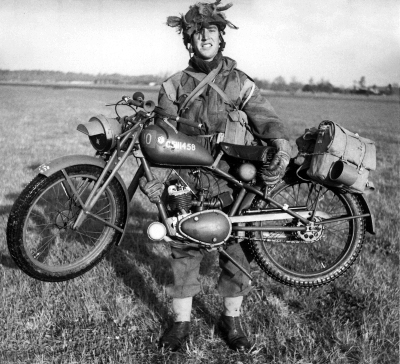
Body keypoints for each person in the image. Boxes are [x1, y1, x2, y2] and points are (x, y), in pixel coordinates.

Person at [139, 1, 291, 353]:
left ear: (222, 37)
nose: (205, 37)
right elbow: (160, 138)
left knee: (236, 251)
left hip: (233, 180)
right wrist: (156, 180)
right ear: (189, 41)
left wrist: (281, 147)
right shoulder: (173, 86)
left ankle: (231, 321)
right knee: (183, 248)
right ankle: (180, 323)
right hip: (185, 179)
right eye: (197, 32)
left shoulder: (240, 83)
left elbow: (267, 120)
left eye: (212, 31)